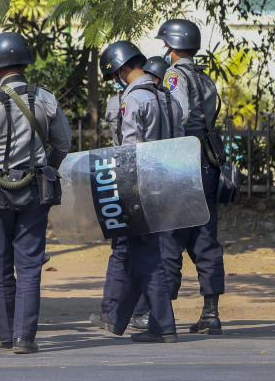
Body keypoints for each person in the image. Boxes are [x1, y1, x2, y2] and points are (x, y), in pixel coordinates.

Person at [0, 32, 71, 353]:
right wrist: (44, 166)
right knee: (30, 264)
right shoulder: (45, 98)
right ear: (25, 62)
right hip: (35, 189)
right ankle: (25, 337)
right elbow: (64, 143)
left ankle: (5, 334)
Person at [90, 42, 180, 343]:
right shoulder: (168, 99)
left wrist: (122, 193)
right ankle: (117, 320)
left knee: (146, 258)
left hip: (140, 188)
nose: (117, 79)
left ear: (121, 69)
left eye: (116, 74)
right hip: (167, 184)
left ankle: (164, 327)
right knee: (136, 256)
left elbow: (129, 152)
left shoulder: (134, 100)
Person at [156, 19, 227, 335]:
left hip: (183, 159)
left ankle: (163, 315)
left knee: (170, 235)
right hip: (208, 162)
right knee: (205, 234)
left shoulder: (174, 76)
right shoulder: (205, 77)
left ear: (172, 45)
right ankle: (211, 313)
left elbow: (178, 117)